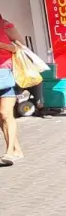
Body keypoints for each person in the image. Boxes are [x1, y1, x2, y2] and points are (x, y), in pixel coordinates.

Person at [0, 13, 24, 167]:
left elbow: (20, 46)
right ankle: (17, 149)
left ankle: (9, 152)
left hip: (5, 72)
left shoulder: (6, 25)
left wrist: (2, 45)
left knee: (5, 113)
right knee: (0, 116)